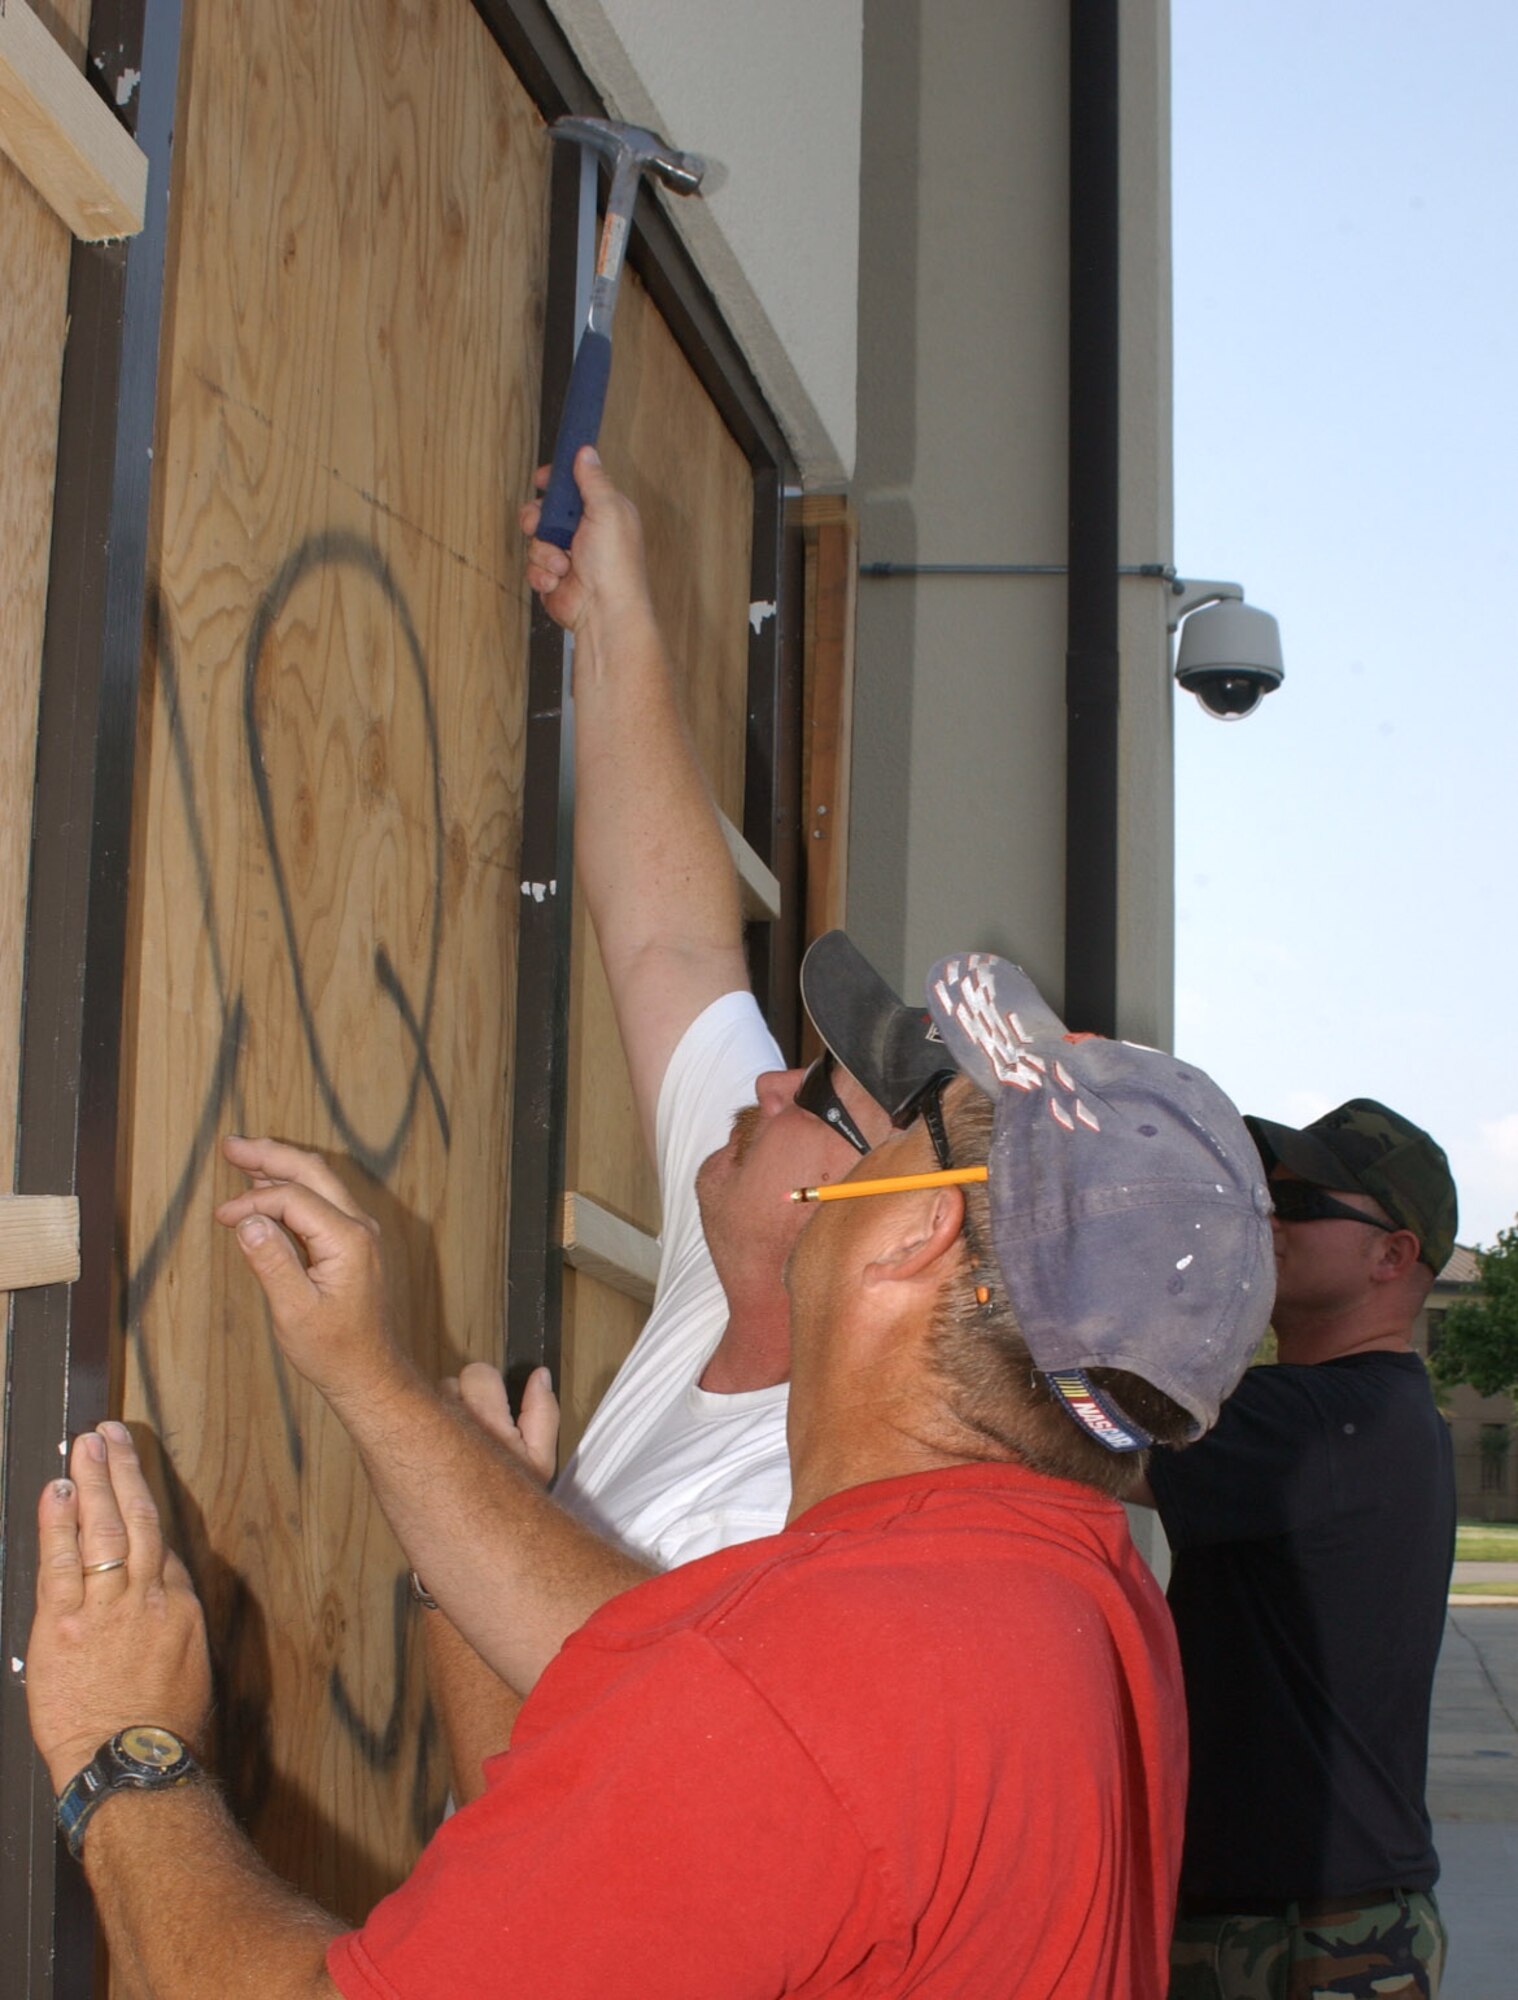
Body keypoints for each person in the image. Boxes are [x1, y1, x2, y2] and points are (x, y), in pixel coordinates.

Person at [26, 949, 1276, 1997]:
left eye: (904, 1132)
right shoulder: (1077, 1597)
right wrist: (377, 1384)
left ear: (913, 1234)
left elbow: (746, 1722)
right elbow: (631, 1678)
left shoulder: (801, 1683)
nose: (848, 1157)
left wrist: (123, 1747)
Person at [421, 448, 948, 1798]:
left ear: (894, 1233)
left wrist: (465, 1523)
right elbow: (668, 943)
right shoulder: (743, 1266)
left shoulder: (794, 1521)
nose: (770, 1083)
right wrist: (615, 610)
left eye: (821, 1098)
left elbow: (542, 1817)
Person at [1146, 1097, 1458, 1999]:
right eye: (1262, 1195)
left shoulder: (1327, 1420)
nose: (1265, 1218)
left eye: (1301, 1206)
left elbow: (1072, 1426)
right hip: (1307, 1914)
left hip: (1303, 1935)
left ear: (1392, 1256)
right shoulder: (1367, 1414)